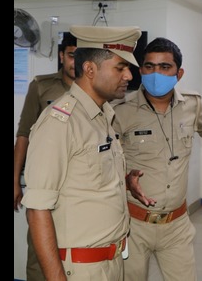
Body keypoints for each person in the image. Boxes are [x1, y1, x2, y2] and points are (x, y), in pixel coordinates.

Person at [112, 37, 202, 281]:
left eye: (165, 67)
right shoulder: (119, 110)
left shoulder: (192, 104)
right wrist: (124, 179)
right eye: (149, 66)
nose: (156, 73)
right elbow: (103, 159)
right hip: (133, 224)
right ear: (140, 70)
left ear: (179, 72)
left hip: (176, 225)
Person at [21, 25, 143, 280]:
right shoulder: (60, 122)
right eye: (120, 68)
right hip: (80, 269)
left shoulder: (102, 117)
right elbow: (37, 210)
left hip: (111, 261)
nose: (129, 76)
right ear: (89, 69)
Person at [13, 32, 77, 281]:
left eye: (81, 57)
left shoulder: (94, 90)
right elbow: (23, 134)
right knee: (40, 249)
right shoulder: (41, 86)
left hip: (78, 182)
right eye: (72, 55)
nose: (76, 62)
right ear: (62, 55)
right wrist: (15, 179)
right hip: (44, 181)